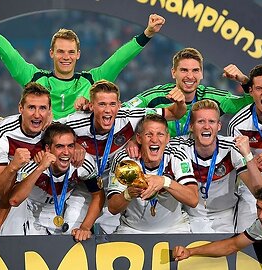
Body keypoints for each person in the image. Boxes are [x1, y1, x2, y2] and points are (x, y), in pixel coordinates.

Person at [0, 2, 165, 119]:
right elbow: (8, 54)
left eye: (71, 52)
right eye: (61, 51)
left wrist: (147, 33)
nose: (66, 57)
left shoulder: (91, 80)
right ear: (51, 53)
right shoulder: (35, 78)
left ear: (78, 54)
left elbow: (119, 59)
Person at [57, 79, 185, 234]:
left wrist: (180, 103)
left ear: (119, 105)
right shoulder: (75, 122)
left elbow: (174, 113)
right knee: (71, 233)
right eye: (102, 104)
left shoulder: (130, 116)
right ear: (91, 106)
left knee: (110, 243)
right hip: (86, 192)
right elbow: (49, 131)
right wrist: (72, 142)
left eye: (112, 104)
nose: (107, 110)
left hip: (115, 190)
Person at [0, 82, 52, 251]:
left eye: (42, 108)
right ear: (20, 108)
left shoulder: (50, 133)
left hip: (19, 201)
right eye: (31, 107)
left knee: (15, 255)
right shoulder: (3, 131)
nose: (37, 115)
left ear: (49, 111)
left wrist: (77, 149)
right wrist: (13, 166)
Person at [169, 100, 262, 233]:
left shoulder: (232, 147)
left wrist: (248, 155)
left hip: (226, 217)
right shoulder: (177, 146)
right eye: (201, 121)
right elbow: (151, 141)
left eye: (212, 122)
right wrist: (134, 143)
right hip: (189, 218)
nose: (206, 126)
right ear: (191, 126)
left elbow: (259, 192)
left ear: (219, 126)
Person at [123, 47, 253, 137]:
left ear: (201, 73)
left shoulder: (214, 98)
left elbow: (253, 105)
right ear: (173, 73)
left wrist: (245, 81)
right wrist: (132, 139)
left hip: (198, 164)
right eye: (184, 70)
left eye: (195, 70)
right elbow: (122, 112)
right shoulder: (155, 97)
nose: (190, 76)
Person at [9, 123, 104, 241]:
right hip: (31, 214)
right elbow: (14, 200)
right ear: (48, 149)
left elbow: (98, 195)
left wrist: (85, 227)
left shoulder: (83, 163)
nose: (66, 152)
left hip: (61, 214)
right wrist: (40, 169)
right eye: (60, 146)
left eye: (70, 146)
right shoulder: (33, 165)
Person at [107, 114, 198, 233]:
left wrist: (165, 182)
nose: (154, 139)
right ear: (139, 138)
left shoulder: (176, 156)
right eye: (149, 135)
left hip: (175, 229)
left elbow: (193, 200)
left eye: (160, 134)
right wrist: (128, 194)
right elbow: (112, 208)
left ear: (167, 138)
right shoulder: (125, 160)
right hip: (132, 230)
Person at [173, 184, 262, 270]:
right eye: (259, 208)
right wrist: (190, 251)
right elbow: (232, 245)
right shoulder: (260, 226)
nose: (261, 215)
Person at [227, 64, 262, 232]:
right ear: (250, 91)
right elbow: (246, 175)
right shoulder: (237, 124)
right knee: (246, 239)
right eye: (259, 88)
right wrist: (252, 163)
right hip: (252, 189)